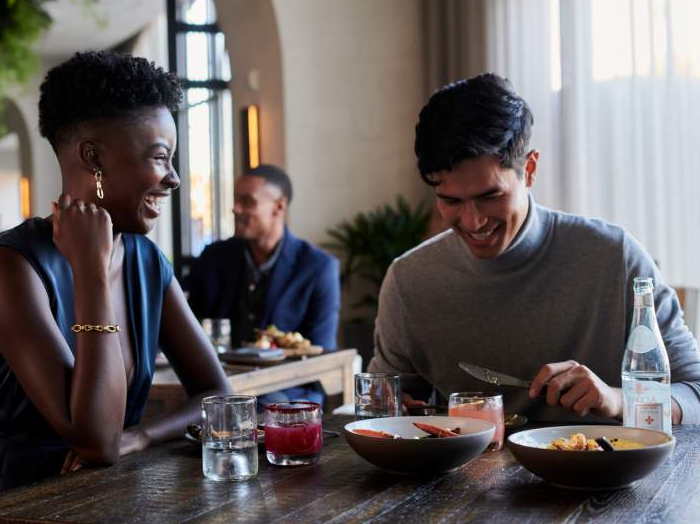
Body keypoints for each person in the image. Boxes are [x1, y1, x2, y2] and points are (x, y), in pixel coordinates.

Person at [0, 51, 230, 505]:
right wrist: (92, 273)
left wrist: (142, 437)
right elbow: (96, 440)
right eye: (160, 157)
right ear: (94, 157)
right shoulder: (12, 267)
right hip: (6, 506)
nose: (173, 178)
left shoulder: (147, 260)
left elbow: (217, 394)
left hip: (100, 498)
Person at [369, 73, 700, 424]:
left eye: (490, 196)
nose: (473, 221)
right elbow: (387, 401)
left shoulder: (614, 257)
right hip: (467, 477)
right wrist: (392, 406)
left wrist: (618, 400)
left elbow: (694, 392)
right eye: (450, 200)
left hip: (602, 472)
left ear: (529, 169)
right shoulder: (409, 281)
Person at [186, 164, 340, 404]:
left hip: (289, 394)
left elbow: (319, 354)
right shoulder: (213, 258)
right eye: (235, 200)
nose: (235, 209)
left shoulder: (318, 267)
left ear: (279, 206)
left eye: (247, 201)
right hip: (218, 390)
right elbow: (189, 328)